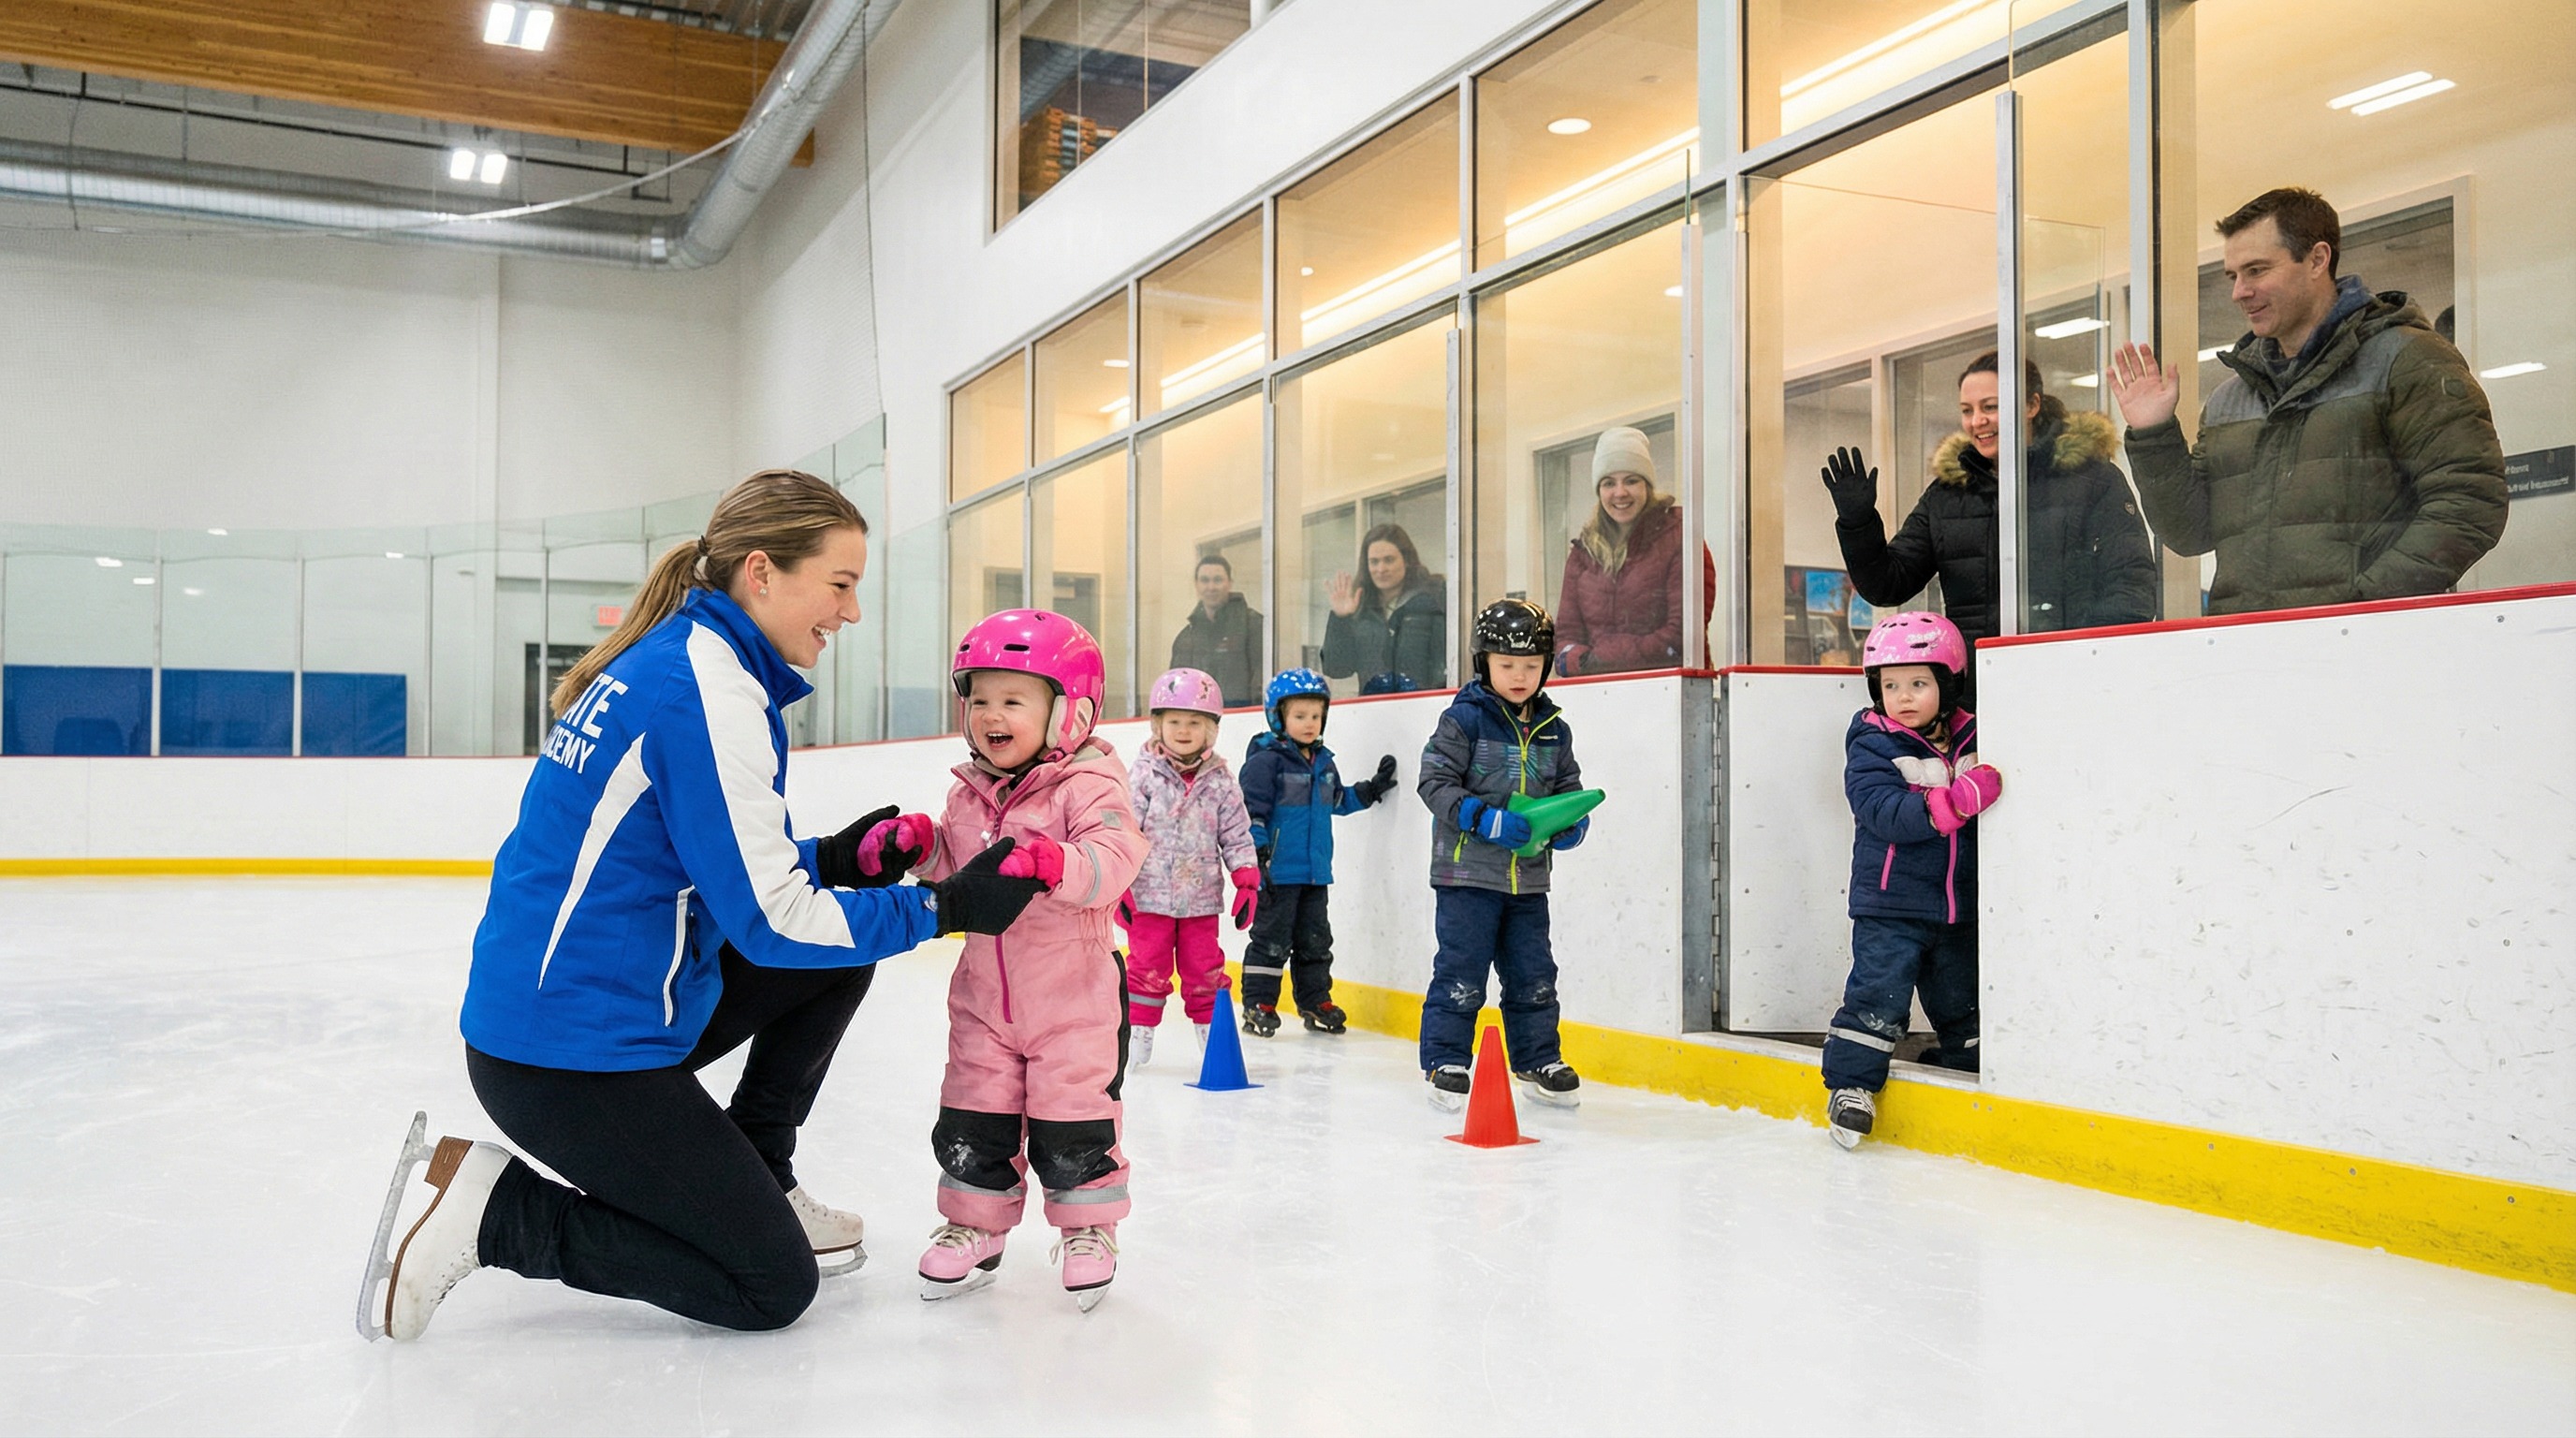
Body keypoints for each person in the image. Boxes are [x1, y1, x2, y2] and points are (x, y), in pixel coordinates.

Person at [360, 469, 1046, 1342]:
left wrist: (834, 858)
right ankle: (496, 1216)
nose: (851, 611)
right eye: (840, 584)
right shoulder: (703, 694)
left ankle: (759, 1171)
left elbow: (701, 862)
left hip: (586, 1008)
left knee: (842, 950)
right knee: (768, 1286)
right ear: (763, 573)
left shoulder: (687, 663)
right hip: (568, 1056)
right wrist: (944, 908)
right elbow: (772, 919)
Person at [906, 609, 1150, 1313]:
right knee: (972, 1115)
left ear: (1069, 711)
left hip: (1074, 999)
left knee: (1073, 1120)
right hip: (984, 997)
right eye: (979, 697)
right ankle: (972, 1226)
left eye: (1013, 699)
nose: (990, 714)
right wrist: (920, 847)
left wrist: (1054, 861)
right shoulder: (967, 792)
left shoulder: (1090, 786)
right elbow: (958, 869)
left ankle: (1088, 1229)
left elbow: (1112, 864)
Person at [2107, 186, 2508, 613]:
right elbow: (2190, 533)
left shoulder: (2406, 359)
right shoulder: (2230, 399)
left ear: (2318, 259)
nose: (2239, 292)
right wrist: (2153, 435)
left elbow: (2470, 502)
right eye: (2233, 276)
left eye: (2256, 270)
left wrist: (2364, 607)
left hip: (2372, 649)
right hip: (2250, 649)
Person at [1822, 355, 2159, 654]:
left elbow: (2131, 586)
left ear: (2032, 406)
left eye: (1990, 407)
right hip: (1977, 695)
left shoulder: (2095, 481)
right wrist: (1858, 523)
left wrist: (2088, 659)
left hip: (2070, 679)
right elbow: (1888, 585)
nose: (1977, 421)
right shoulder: (1947, 495)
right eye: (1967, 411)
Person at [1821, 610, 2001, 1151]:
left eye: (1919, 683)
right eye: (1890, 685)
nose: (1903, 696)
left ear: (1946, 686)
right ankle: (1851, 1086)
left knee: (1963, 1001)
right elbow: (1882, 810)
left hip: (1959, 909)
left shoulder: (1978, 734)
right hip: (1891, 905)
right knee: (1879, 994)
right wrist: (1955, 801)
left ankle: (1968, 1069)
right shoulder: (1873, 742)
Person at [1415, 598, 1589, 1112]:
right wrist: (1482, 817)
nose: (1519, 675)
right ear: (1483, 662)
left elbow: (1567, 787)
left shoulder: (1555, 728)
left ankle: (1538, 1059)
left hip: (1528, 881)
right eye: (1507, 664)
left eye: (1531, 666)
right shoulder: (1463, 720)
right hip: (1467, 875)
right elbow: (1434, 783)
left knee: (1534, 972)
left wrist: (1570, 824)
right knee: (1461, 970)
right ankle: (1446, 1060)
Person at [1237, 667, 1399, 1037]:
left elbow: (1337, 800)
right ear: (1278, 716)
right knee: (1271, 941)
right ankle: (1258, 1004)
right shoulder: (1266, 762)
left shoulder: (1323, 762)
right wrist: (1259, 855)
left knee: (1315, 941)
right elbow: (1252, 812)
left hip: (1315, 872)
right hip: (1277, 873)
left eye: (1315, 716)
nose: (1309, 723)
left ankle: (1314, 1001)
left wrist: (1371, 790)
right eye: (1299, 716)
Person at [1119, 667, 1260, 1067]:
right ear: (1157, 726)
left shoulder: (1221, 781)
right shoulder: (1143, 776)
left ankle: (1214, 1044)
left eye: (1194, 722)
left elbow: (1236, 833)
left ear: (1210, 730)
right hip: (1148, 899)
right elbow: (1124, 832)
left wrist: (1246, 878)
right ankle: (1138, 1038)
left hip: (1200, 900)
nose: (1183, 730)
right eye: (1174, 721)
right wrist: (1119, 884)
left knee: (1206, 971)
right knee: (1146, 970)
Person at [1554, 426, 1718, 676]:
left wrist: (1600, 659)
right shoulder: (1583, 552)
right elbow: (1565, 637)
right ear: (1599, 491)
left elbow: (1681, 635)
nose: (1620, 492)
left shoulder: (1681, 537)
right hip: (1603, 695)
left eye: (1631, 480)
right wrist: (1579, 661)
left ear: (1647, 485)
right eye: (1609, 483)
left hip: (1672, 692)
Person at [1321, 522, 1445, 690]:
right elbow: (1337, 669)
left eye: (1389, 560)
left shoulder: (1432, 601)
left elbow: (1444, 665)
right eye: (1374, 562)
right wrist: (1341, 619)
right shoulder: (1360, 609)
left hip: (1424, 706)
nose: (1381, 569)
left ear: (1406, 560)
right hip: (1373, 709)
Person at [1167, 553, 1263, 709]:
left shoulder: (1254, 626)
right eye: (1205, 580)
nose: (1211, 587)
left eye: (1217, 580)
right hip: (1199, 720)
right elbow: (1177, 691)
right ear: (1196, 585)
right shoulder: (1186, 638)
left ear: (1229, 583)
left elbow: (1262, 680)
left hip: (1244, 718)